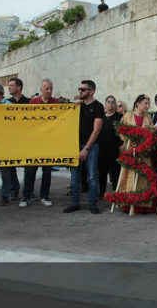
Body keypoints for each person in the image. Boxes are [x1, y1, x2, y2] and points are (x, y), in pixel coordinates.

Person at [63, 80, 103, 214]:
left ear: (91, 92)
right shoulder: (77, 106)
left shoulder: (98, 107)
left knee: (92, 176)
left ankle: (92, 203)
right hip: (74, 145)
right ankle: (75, 203)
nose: (80, 91)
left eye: (83, 90)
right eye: (79, 89)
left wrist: (86, 148)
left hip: (91, 146)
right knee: (74, 176)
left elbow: (96, 130)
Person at [20, 79, 58, 208]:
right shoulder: (33, 103)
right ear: (41, 89)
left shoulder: (56, 103)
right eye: (47, 89)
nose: (49, 91)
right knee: (30, 171)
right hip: (35, 143)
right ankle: (26, 196)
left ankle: (44, 196)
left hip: (48, 143)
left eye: (51, 89)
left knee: (47, 171)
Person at [114, 94, 155, 213]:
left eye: (148, 104)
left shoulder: (148, 118)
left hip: (143, 152)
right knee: (128, 175)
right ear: (138, 104)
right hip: (130, 150)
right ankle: (127, 203)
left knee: (143, 176)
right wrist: (128, 139)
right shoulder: (127, 116)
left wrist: (148, 132)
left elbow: (152, 134)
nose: (147, 106)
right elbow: (121, 130)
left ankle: (141, 204)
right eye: (145, 103)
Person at [5, 78, 28, 200]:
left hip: (25, 139)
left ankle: (27, 191)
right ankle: (14, 189)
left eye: (11, 85)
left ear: (19, 87)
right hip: (11, 139)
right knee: (10, 166)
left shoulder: (30, 102)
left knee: (29, 166)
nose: (9, 87)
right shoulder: (6, 103)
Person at [97, 96, 123, 200]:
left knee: (115, 173)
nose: (111, 104)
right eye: (108, 102)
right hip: (102, 149)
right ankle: (102, 192)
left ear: (115, 104)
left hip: (114, 150)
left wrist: (122, 144)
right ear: (105, 104)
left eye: (113, 102)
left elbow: (123, 133)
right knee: (102, 173)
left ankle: (115, 193)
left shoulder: (119, 117)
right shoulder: (101, 117)